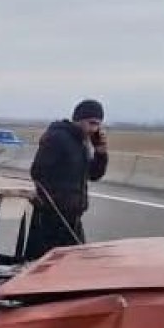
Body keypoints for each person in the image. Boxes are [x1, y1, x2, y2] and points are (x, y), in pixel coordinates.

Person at [24, 99, 108, 258]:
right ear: (78, 119)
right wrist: (53, 200)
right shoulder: (58, 138)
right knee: (43, 263)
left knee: (72, 263)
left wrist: (101, 153)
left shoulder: (81, 143)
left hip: (72, 217)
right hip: (51, 217)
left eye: (98, 124)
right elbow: (37, 171)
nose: (94, 129)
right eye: (91, 123)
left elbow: (94, 174)